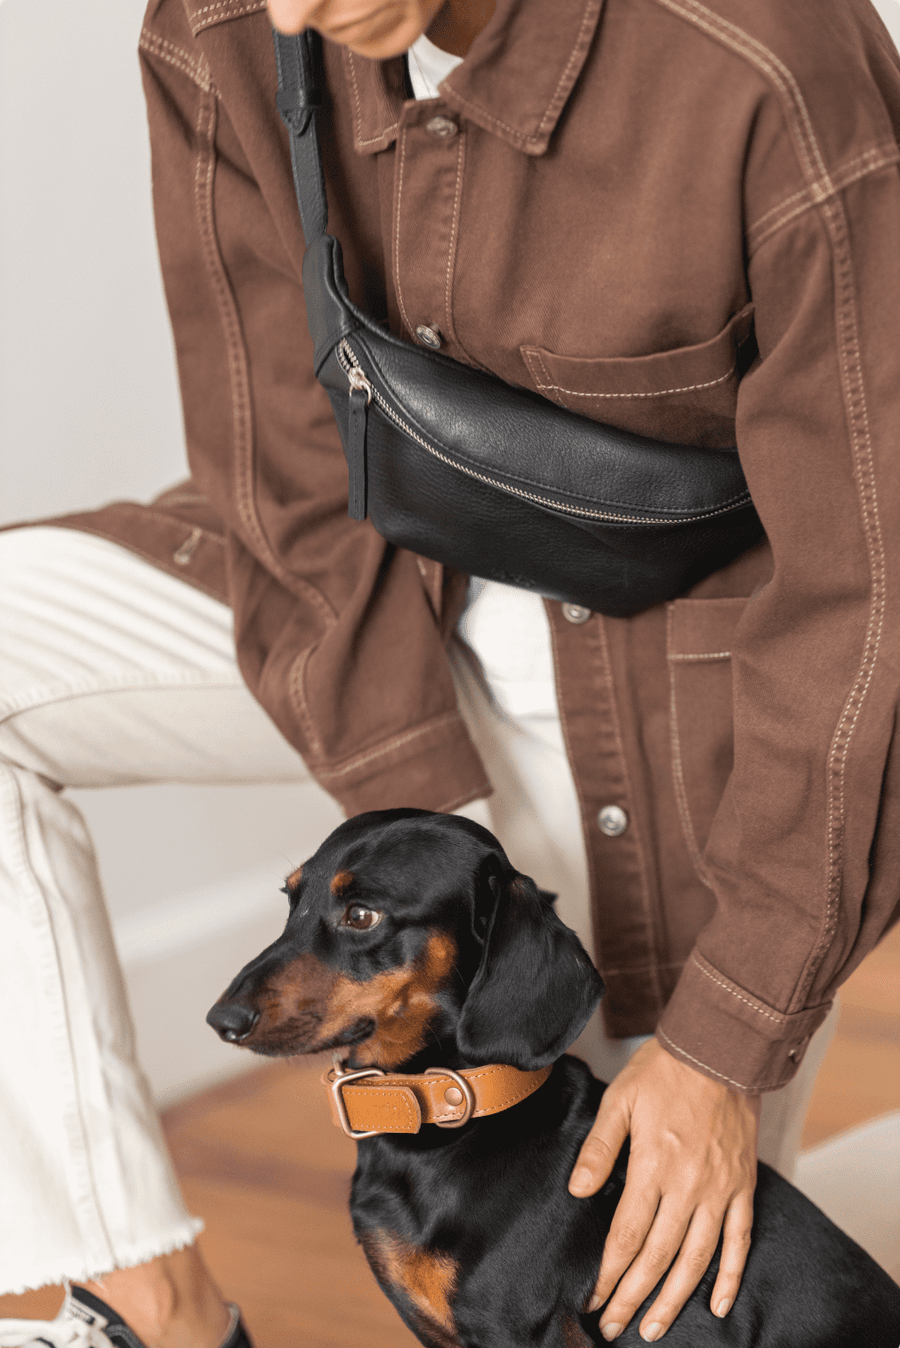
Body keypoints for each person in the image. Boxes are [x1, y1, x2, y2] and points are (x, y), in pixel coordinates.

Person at [1, 0, 898, 1344]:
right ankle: (142, 1306)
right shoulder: (223, 25)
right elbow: (282, 460)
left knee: (678, 1266)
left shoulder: (766, 57)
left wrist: (725, 1034)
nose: (295, 11)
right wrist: (426, 823)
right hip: (375, 599)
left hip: (692, 674)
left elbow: (868, 581)